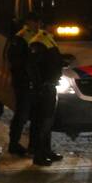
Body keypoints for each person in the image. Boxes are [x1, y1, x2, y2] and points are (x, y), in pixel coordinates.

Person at [26, 16, 66, 166]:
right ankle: (39, 155)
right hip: (43, 88)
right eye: (53, 25)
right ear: (46, 26)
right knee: (41, 122)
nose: (55, 28)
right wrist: (40, 85)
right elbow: (33, 67)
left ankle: (46, 151)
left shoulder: (48, 39)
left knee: (48, 121)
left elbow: (51, 61)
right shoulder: (39, 41)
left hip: (50, 85)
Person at [6, 12, 39, 157]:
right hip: (24, 82)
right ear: (29, 22)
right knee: (22, 114)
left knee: (33, 114)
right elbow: (16, 61)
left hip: (32, 81)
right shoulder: (21, 37)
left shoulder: (34, 35)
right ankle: (14, 144)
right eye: (36, 22)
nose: (38, 25)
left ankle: (32, 145)